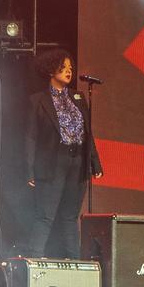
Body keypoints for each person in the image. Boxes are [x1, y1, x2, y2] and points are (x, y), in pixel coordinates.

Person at [25, 48, 102, 259]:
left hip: (77, 160)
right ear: (51, 70)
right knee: (45, 215)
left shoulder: (77, 97)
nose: (69, 71)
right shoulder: (38, 100)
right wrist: (29, 169)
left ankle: (74, 261)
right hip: (52, 161)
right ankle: (34, 260)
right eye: (63, 67)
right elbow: (30, 137)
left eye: (70, 68)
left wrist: (94, 162)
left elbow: (87, 132)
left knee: (70, 216)